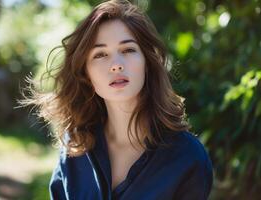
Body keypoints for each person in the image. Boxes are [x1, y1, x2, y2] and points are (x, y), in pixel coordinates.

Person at [22, 0, 213, 199]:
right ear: (86, 73)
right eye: (100, 54)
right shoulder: (74, 148)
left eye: (128, 50)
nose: (116, 65)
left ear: (147, 62)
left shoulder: (188, 157)